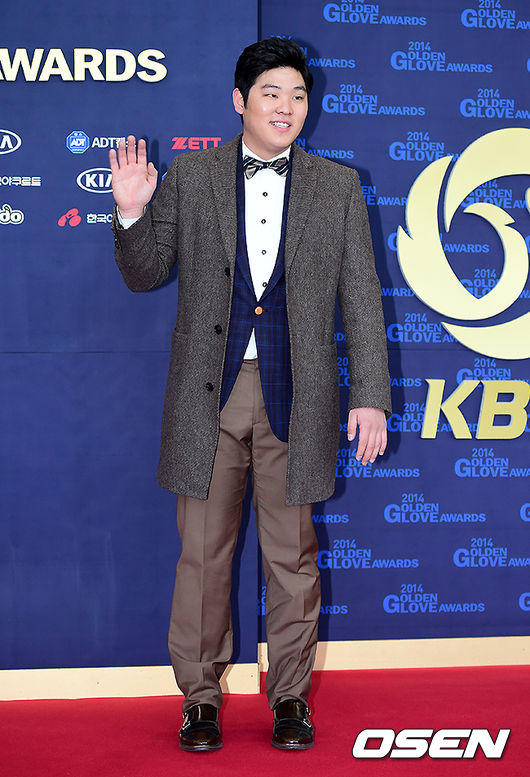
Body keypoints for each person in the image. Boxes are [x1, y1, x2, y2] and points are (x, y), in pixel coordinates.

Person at [110, 37, 391, 753]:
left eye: (297, 94)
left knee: (292, 558)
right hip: (208, 397)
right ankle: (200, 699)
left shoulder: (337, 186)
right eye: (271, 93)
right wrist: (132, 213)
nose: (286, 107)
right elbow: (144, 275)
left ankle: (290, 697)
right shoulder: (193, 175)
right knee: (203, 557)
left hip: (300, 396)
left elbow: (362, 296)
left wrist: (370, 395)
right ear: (240, 101)